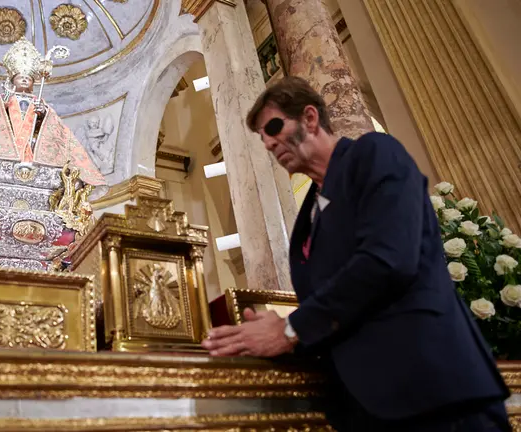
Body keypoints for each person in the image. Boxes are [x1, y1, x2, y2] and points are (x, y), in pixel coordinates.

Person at [201, 76, 511, 431]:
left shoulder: (375, 154)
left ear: (310, 118)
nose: (269, 142)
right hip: (367, 405)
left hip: (434, 391)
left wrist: (290, 329)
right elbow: (341, 307)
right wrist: (275, 339)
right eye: (263, 137)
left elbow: (388, 261)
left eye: (274, 126)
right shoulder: (310, 211)